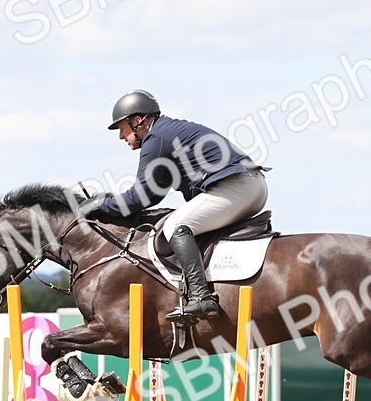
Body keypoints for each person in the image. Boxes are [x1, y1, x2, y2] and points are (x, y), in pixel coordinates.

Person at [84, 90, 269, 323]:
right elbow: (152, 195)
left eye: (122, 127)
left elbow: (139, 197)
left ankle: (202, 297)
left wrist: (102, 204)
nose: (121, 136)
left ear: (138, 121)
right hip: (249, 186)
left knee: (175, 226)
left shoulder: (156, 139)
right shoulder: (166, 134)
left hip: (236, 188)